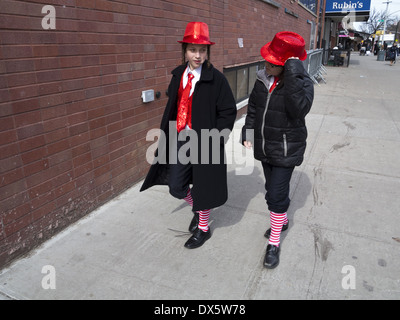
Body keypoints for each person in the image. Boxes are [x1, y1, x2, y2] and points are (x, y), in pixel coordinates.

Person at [140, 22, 237, 249]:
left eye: (202, 50)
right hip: (181, 139)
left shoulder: (217, 79)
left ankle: (204, 228)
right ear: (184, 50)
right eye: (193, 50)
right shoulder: (178, 76)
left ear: (207, 52)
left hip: (206, 142)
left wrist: (217, 138)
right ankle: (197, 208)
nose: (198, 55)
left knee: (204, 187)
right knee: (176, 186)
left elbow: (228, 111)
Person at [241, 31, 314, 268]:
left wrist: (293, 72)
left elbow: (298, 110)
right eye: (267, 60)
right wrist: (247, 133)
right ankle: (280, 219)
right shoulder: (262, 79)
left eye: (273, 63)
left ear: (286, 65)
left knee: (275, 195)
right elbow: (253, 110)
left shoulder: (303, 84)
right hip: (265, 146)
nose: (266, 65)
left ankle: (274, 242)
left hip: (286, 149)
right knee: (271, 189)